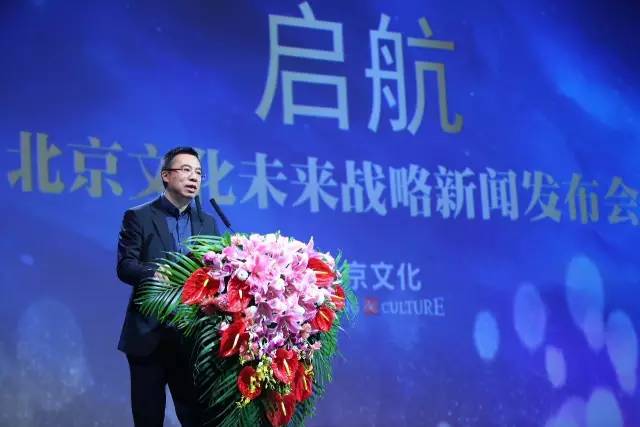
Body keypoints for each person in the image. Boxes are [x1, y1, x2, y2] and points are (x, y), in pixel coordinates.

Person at [117, 146, 219, 427]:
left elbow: (216, 272)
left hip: (191, 341)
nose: (194, 177)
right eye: (186, 170)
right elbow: (125, 266)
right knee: (148, 419)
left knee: (198, 420)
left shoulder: (208, 223)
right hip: (148, 337)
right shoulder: (139, 216)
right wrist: (154, 272)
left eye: (198, 172)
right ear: (166, 175)